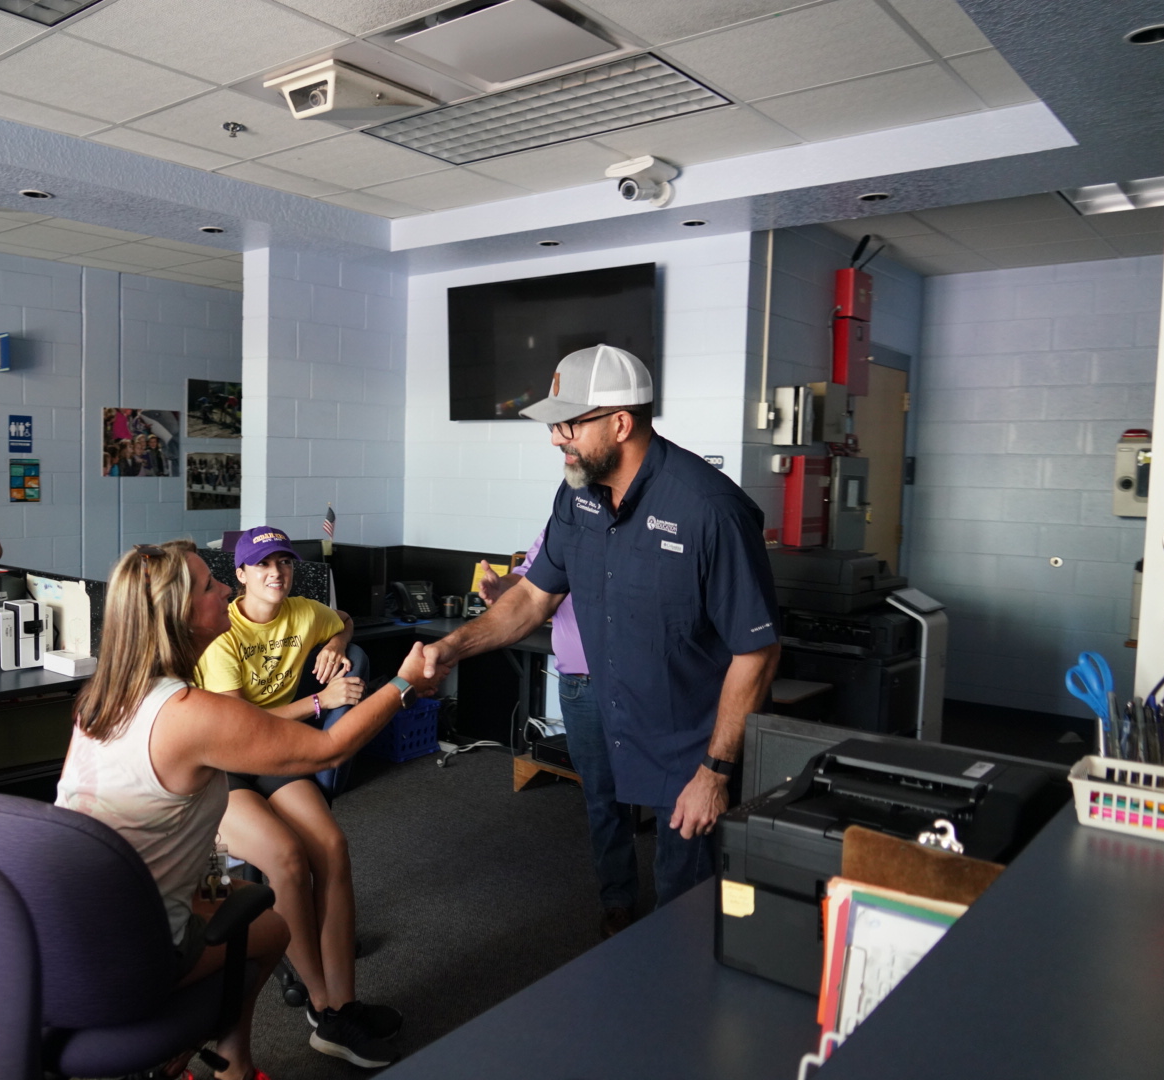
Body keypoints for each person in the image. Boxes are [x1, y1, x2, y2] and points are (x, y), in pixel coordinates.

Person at [56, 541, 438, 1080]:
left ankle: (244, 1055)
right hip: (132, 954)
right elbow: (328, 749)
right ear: (183, 615)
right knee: (271, 927)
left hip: (73, 931)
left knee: (265, 878)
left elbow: (177, 822)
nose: (228, 592)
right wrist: (403, 684)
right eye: (213, 588)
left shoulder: (101, 697)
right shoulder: (190, 711)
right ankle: (254, 1045)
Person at [422, 344, 780, 907]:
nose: (555, 437)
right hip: (609, 709)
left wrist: (714, 772)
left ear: (620, 423)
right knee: (606, 824)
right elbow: (533, 598)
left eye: (568, 424)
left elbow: (756, 651)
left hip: (689, 741)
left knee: (683, 894)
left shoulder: (710, 510)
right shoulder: (577, 498)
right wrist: (453, 647)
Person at [196, 527, 401, 1068]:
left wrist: (336, 647)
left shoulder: (305, 612)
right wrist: (318, 702)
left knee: (331, 845)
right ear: (238, 575)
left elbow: (346, 622)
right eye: (263, 565)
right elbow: (238, 727)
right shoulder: (222, 631)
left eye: (284, 563)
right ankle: (321, 1009)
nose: (276, 574)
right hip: (225, 765)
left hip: (276, 756)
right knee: (286, 856)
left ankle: (344, 1004)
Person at [478, 526, 639, 938]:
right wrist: (502, 587)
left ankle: (681, 909)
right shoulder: (565, 522)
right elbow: (531, 579)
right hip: (581, 685)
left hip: (642, 685)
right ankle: (618, 901)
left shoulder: (650, 517)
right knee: (602, 798)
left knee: (670, 796)